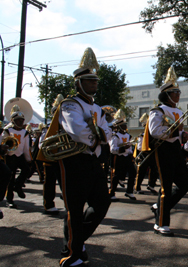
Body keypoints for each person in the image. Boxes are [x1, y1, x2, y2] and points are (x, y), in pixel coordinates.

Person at [38, 47, 112, 267]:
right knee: (75, 208)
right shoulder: (70, 104)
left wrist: (99, 135)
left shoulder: (97, 108)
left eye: (95, 80)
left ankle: (77, 241)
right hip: (73, 161)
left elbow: (107, 133)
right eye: (89, 80)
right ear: (79, 83)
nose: (94, 84)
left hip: (92, 160)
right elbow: (78, 131)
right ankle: (70, 253)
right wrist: (99, 135)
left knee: (101, 203)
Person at [143, 66, 188, 236]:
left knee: (185, 184)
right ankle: (161, 223)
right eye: (175, 92)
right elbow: (155, 131)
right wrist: (177, 132)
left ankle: (159, 207)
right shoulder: (158, 111)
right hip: (163, 151)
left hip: (176, 150)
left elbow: (177, 133)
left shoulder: (179, 111)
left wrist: (183, 136)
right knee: (166, 187)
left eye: (178, 91)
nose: (178, 94)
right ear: (167, 95)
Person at [0, 105, 32, 208]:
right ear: (13, 121)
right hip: (10, 156)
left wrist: (28, 159)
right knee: (10, 177)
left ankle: (18, 186)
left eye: (22, 120)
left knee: (26, 170)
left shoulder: (25, 132)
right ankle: (10, 200)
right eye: (18, 120)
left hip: (20, 155)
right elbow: (2, 142)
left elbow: (26, 147)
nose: (20, 122)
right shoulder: (7, 131)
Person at [108, 109, 137, 201]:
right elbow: (112, 150)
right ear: (120, 127)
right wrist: (123, 148)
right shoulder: (115, 136)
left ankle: (129, 191)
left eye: (125, 125)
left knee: (133, 173)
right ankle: (111, 193)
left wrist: (130, 153)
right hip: (119, 158)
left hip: (127, 157)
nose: (125, 126)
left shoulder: (128, 136)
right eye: (124, 125)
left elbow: (129, 149)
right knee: (116, 175)